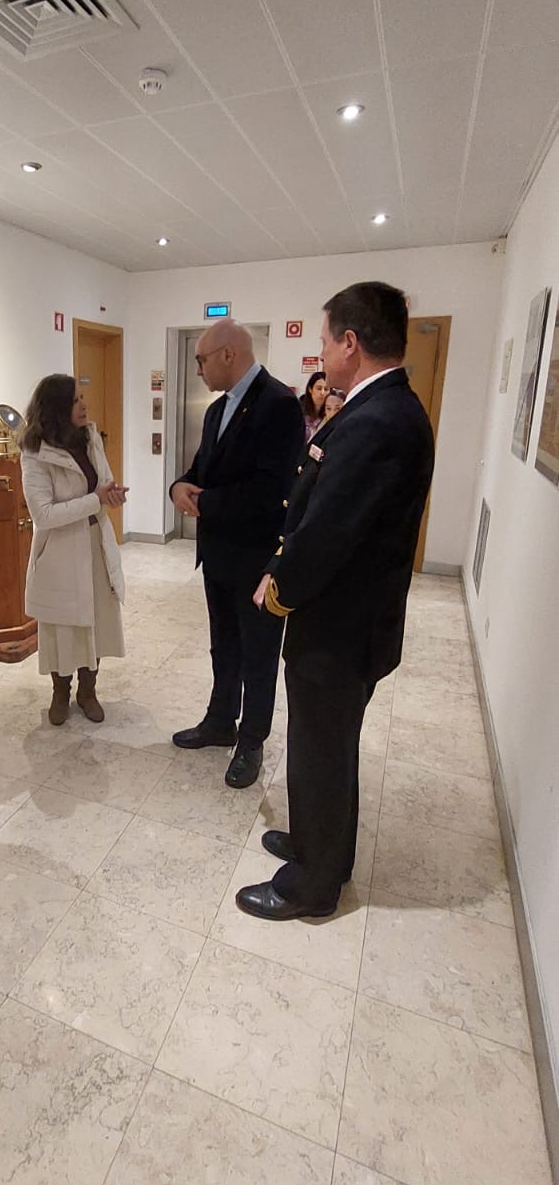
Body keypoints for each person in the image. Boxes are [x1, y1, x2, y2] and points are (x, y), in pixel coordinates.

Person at [236, 281, 434, 921]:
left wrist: (279, 588)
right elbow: (318, 507)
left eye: (324, 339)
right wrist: (281, 560)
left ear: (351, 342)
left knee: (322, 749)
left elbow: (329, 530)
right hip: (348, 620)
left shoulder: (378, 419)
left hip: (340, 628)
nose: (320, 351)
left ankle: (312, 885)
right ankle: (320, 845)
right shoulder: (380, 407)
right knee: (328, 745)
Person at [169, 320, 305, 788]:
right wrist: (178, 487)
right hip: (218, 554)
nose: (198, 369)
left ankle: (252, 741)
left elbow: (271, 490)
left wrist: (205, 502)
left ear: (228, 354)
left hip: (256, 558)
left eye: (201, 359)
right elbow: (199, 470)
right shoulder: (216, 410)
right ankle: (220, 721)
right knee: (223, 644)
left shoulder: (279, 404)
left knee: (258, 654)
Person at [20, 375, 127, 725]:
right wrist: (95, 500)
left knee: (95, 621)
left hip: (96, 544)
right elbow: (43, 514)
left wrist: (111, 494)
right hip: (61, 553)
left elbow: (103, 483)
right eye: (76, 400)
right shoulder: (35, 452)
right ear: (56, 407)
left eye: (83, 397)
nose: (84, 405)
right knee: (63, 628)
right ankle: (60, 692)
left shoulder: (89, 437)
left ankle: (88, 691)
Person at [300, 371, 329, 441]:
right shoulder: (299, 410)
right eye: (319, 388)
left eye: (326, 389)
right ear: (310, 389)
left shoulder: (331, 412)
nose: (322, 393)